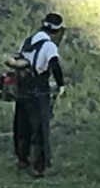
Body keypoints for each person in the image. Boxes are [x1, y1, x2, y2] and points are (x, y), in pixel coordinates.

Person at [6, 12, 66, 178]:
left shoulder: (29, 41)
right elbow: (54, 66)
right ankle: (37, 166)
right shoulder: (49, 46)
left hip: (23, 90)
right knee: (39, 128)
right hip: (39, 91)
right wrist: (61, 85)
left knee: (21, 124)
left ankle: (22, 159)